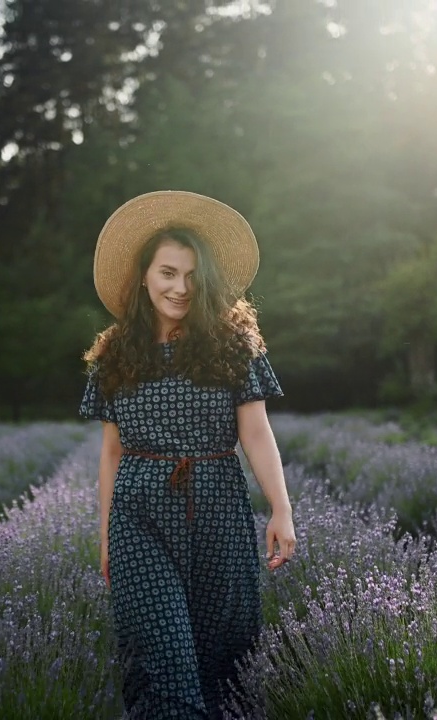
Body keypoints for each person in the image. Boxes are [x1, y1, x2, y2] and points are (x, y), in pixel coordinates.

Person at [79, 190, 296, 719]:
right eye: (168, 273)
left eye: (193, 275)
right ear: (145, 277)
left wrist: (281, 508)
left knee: (223, 670)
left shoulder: (233, 342)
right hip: (139, 516)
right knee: (166, 668)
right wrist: (106, 532)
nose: (181, 287)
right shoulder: (115, 351)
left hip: (219, 510)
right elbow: (112, 451)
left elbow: (257, 431)